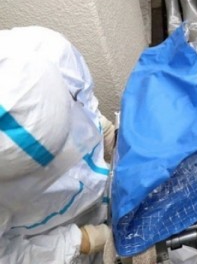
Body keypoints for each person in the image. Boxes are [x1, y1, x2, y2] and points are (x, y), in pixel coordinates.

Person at [0, 26, 114, 263]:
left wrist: (100, 127)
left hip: (100, 193)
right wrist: (80, 242)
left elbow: (83, 95)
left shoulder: (48, 48)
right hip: (53, 235)